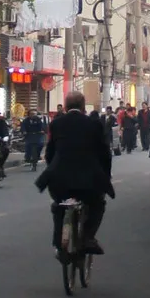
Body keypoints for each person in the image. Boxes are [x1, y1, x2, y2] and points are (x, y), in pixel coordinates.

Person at [36, 88, 114, 256]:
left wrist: (52, 170)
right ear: (83, 106)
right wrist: (105, 177)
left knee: (58, 205)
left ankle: (58, 242)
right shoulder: (94, 124)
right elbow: (104, 154)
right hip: (88, 181)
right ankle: (88, 238)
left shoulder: (56, 124)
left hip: (59, 180)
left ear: (64, 107)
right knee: (98, 203)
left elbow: (50, 153)